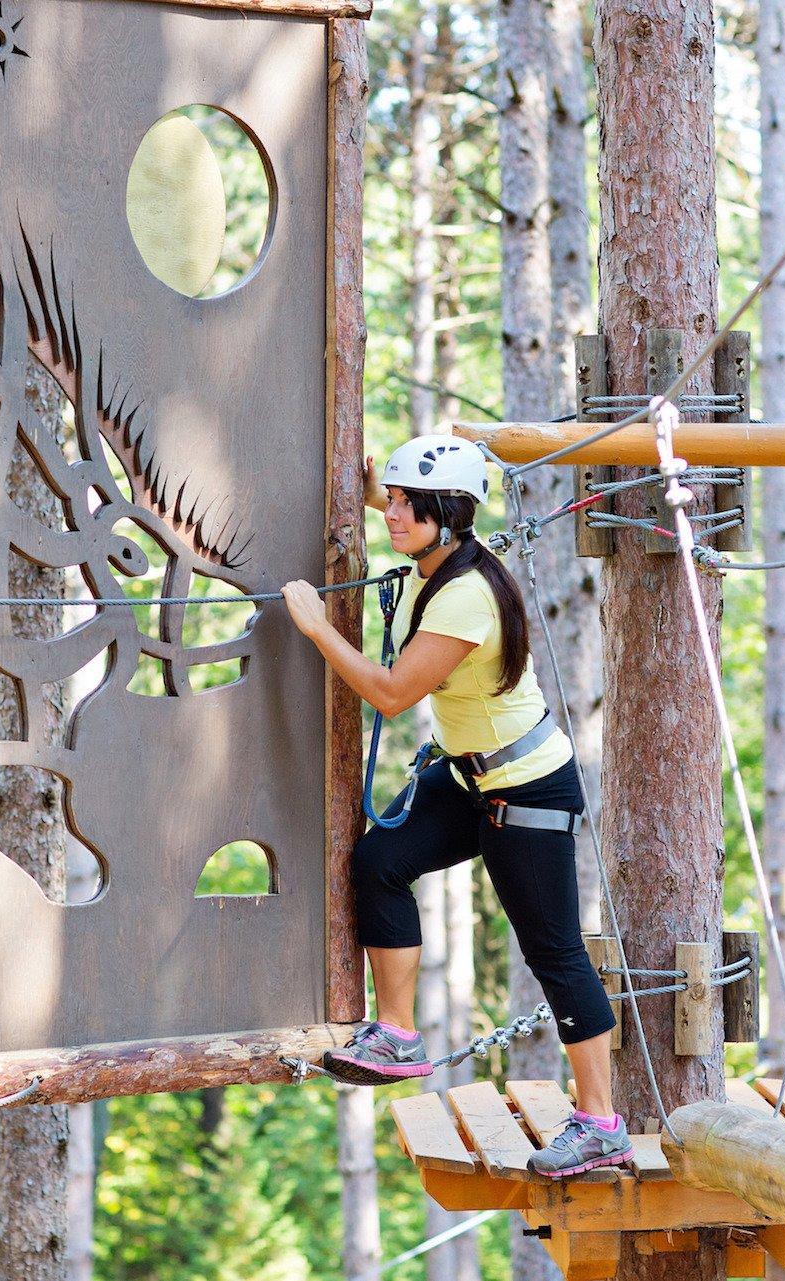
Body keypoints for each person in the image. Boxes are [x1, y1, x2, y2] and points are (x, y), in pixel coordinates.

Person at [280, 435, 630, 1179]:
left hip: (526, 788)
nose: (393, 515)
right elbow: (416, 511)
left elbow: (391, 692)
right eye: (394, 502)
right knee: (379, 860)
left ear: (447, 514)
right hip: (471, 777)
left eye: (408, 505)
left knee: (556, 952)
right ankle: (398, 1034)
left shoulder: (467, 593)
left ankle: (601, 1122)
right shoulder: (442, 554)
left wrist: (315, 626)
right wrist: (382, 487)